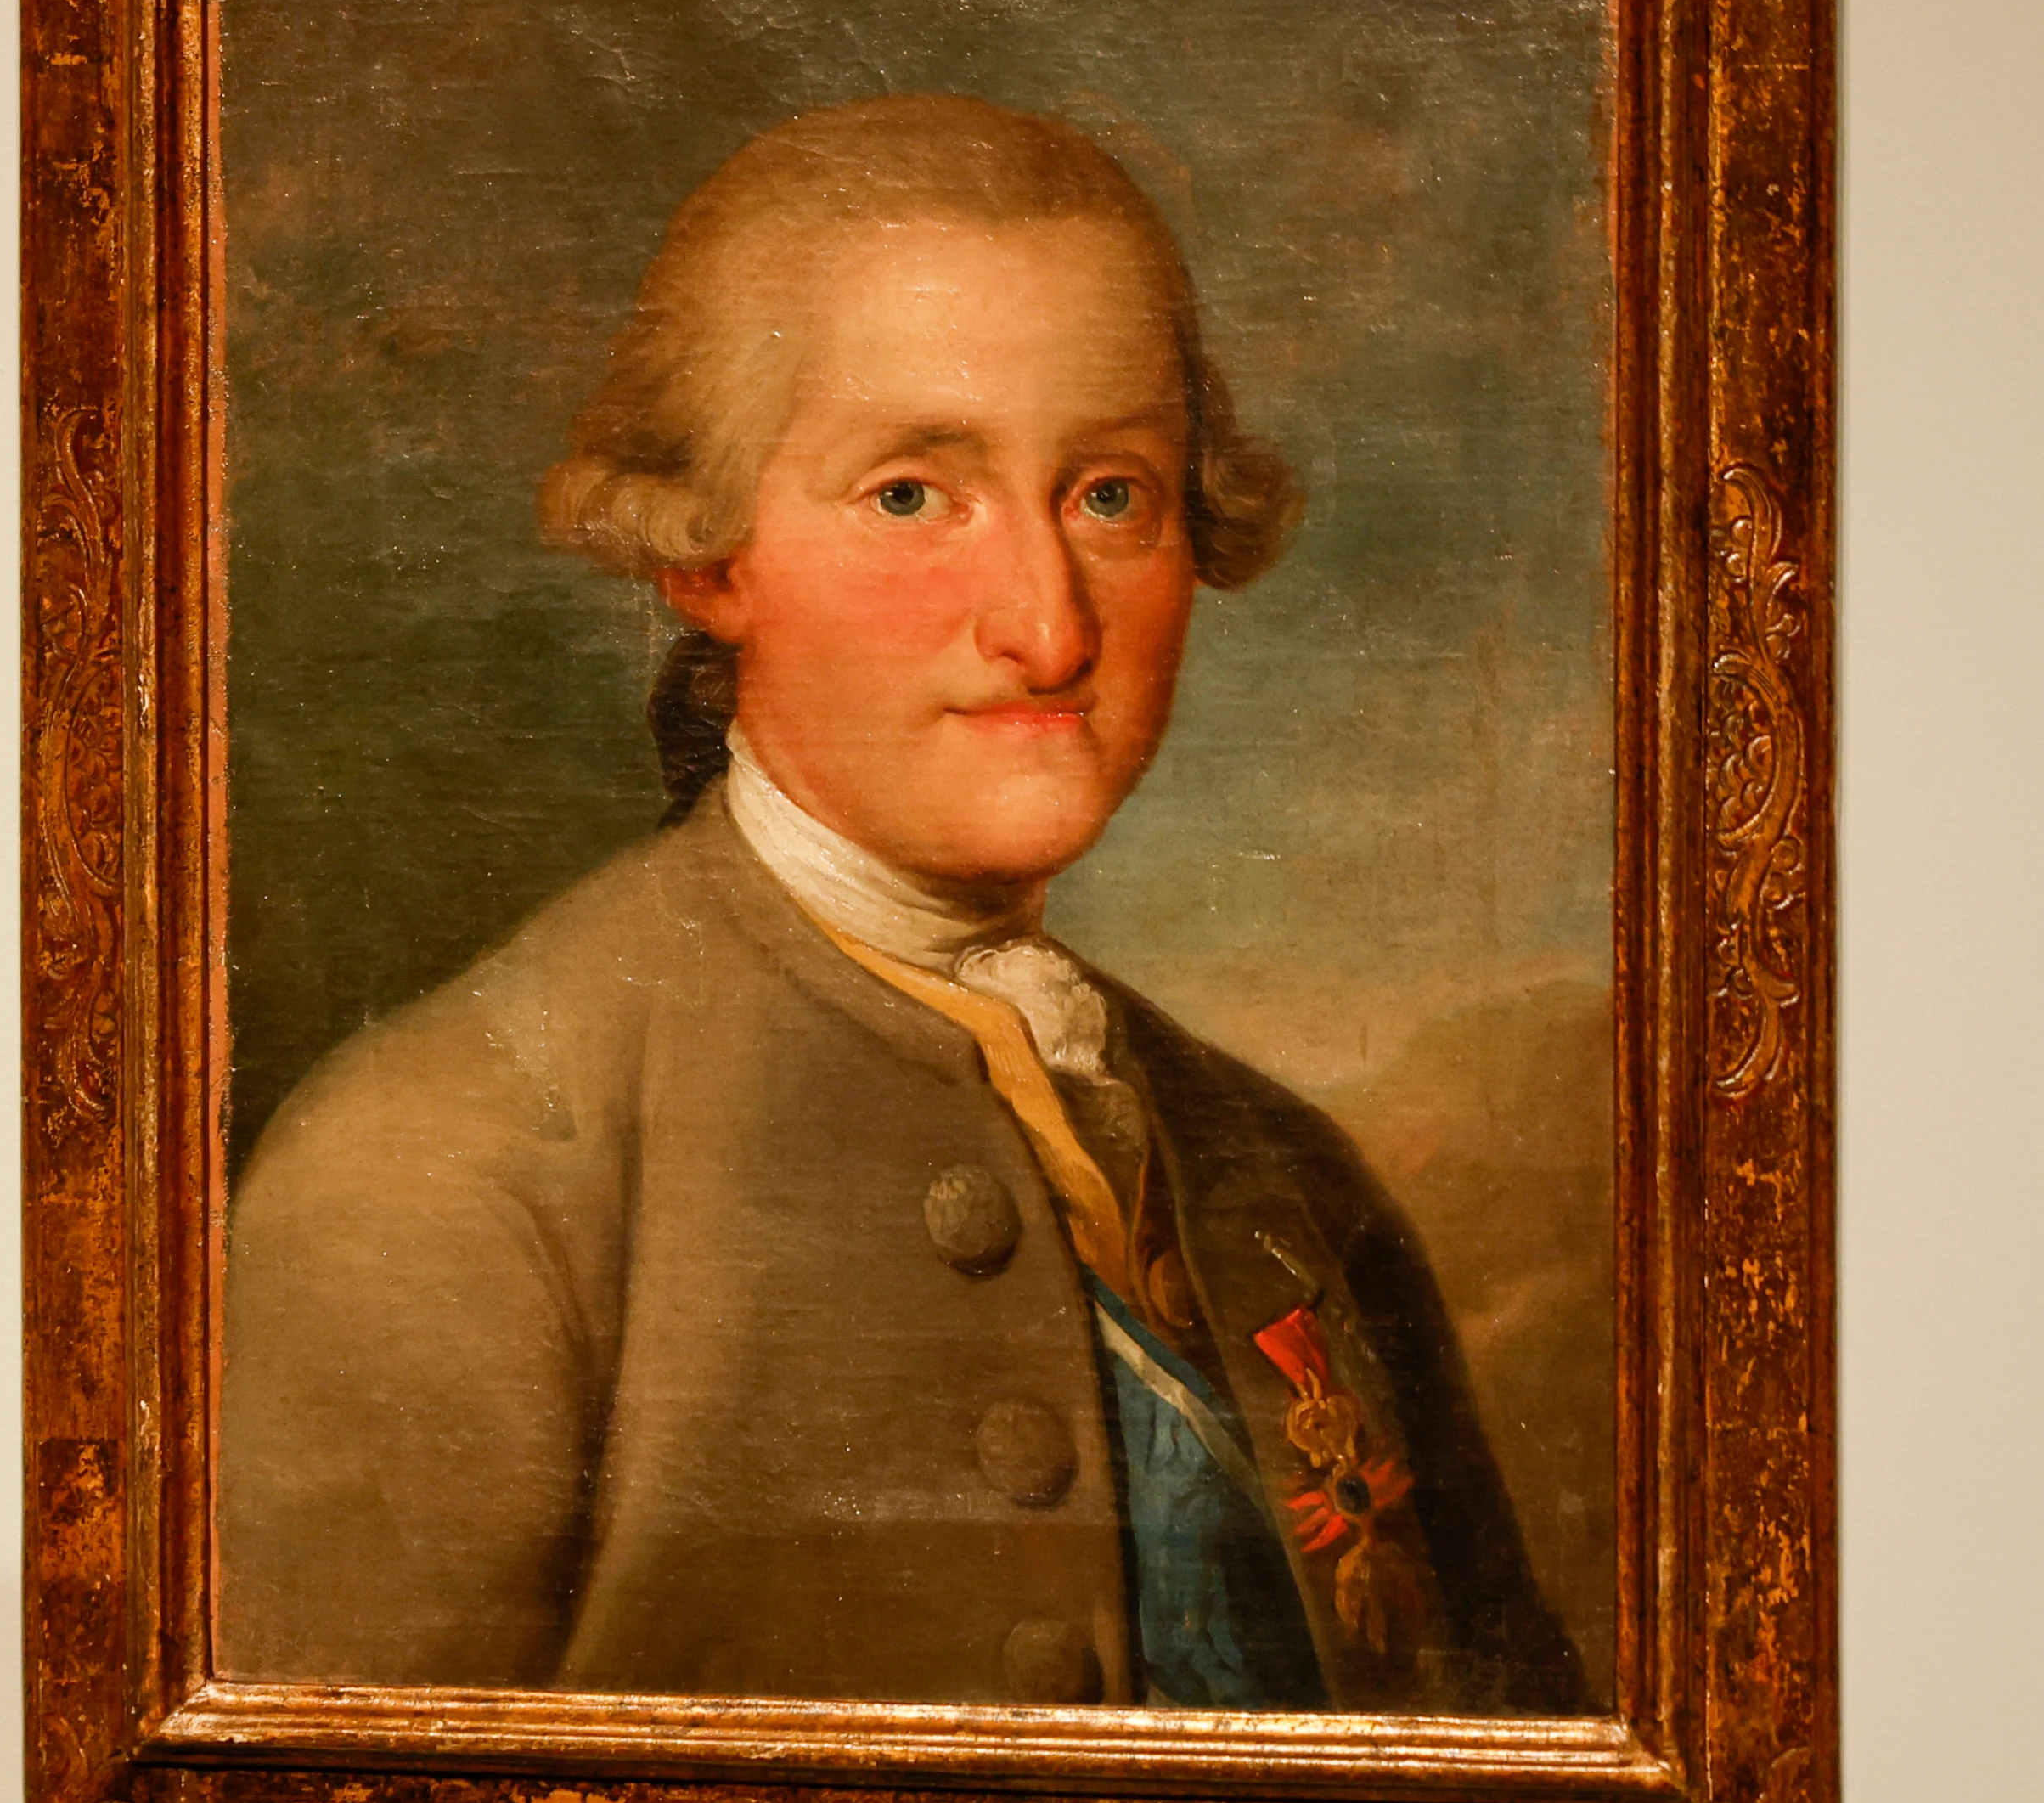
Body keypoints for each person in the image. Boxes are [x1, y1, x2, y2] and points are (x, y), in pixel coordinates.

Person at [220, 94, 1583, 1716]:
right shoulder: (446, 1177)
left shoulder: (1287, 1178)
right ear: (704, 550)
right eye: (912, 496)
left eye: (1110, 495)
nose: (1047, 625)